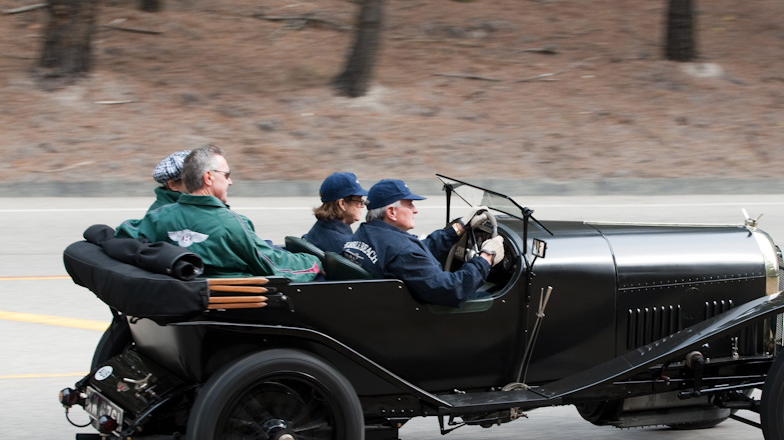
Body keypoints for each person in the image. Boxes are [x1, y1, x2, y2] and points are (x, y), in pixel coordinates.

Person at [117, 144, 322, 282]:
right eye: (227, 175)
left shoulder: (158, 218)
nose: (230, 181)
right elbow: (272, 265)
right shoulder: (231, 224)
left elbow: (123, 235)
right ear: (208, 177)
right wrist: (313, 262)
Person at [342, 179, 504, 307]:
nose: (415, 210)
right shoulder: (401, 250)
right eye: (410, 204)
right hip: (417, 319)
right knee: (494, 294)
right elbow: (453, 290)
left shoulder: (367, 232)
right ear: (391, 212)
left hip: (378, 308)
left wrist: (459, 227)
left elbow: (418, 250)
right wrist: (485, 258)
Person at [302, 172, 368, 253]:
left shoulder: (320, 227)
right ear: (342, 204)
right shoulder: (345, 246)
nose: (362, 206)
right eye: (359, 201)